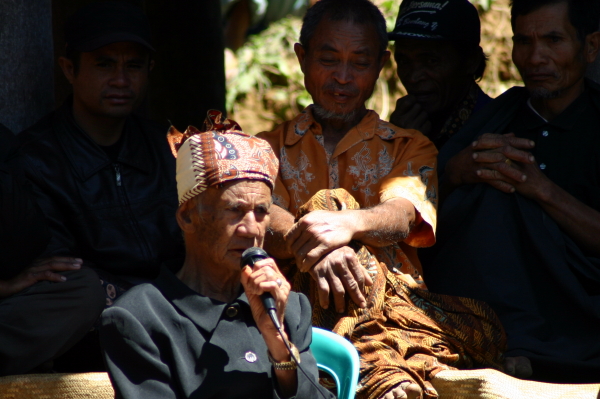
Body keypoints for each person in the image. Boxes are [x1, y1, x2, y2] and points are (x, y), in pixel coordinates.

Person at [258, 1, 507, 398]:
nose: (343, 78)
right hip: (298, 311)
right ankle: (385, 369)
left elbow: (405, 213)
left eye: (359, 63)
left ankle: (376, 357)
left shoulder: (410, 146)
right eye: (328, 59)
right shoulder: (264, 150)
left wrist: (347, 225)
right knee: (327, 204)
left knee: (333, 207)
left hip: (396, 313)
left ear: (380, 66)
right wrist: (318, 244)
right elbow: (253, 210)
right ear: (302, 58)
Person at [421, 0, 600, 383]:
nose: (536, 57)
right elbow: (424, 196)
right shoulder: (499, 115)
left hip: (582, 316)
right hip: (492, 314)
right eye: (524, 41)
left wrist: (541, 189)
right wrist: (457, 171)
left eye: (553, 40)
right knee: (485, 194)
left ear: (591, 47)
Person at [100, 111, 334, 399]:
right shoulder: (140, 317)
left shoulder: (287, 308)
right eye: (234, 210)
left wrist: (279, 348)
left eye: (261, 211)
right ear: (187, 218)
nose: (251, 229)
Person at [4, 1, 183, 373]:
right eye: (104, 64)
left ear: (150, 70)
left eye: (133, 65)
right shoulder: (37, 159)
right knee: (82, 291)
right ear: (70, 69)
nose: (121, 79)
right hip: (94, 329)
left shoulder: (167, 148)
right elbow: (60, 270)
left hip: (177, 313)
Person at [388, 0, 492, 149]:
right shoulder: (400, 130)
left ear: (471, 61)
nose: (413, 77)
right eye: (404, 61)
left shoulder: (498, 131)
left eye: (431, 61)